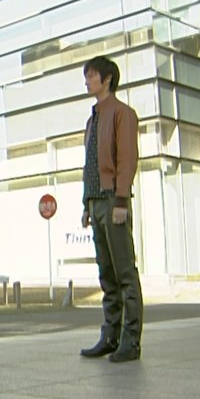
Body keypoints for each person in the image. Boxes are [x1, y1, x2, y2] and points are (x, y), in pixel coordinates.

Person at [79, 56, 143, 363]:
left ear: (107, 79)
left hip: (113, 201)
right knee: (106, 274)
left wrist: (121, 201)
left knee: (125, 272)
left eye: (92, 75)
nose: (87, 81)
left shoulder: (122, 113)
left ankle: (131, 340)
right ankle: (110, 336)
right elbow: (89, 166)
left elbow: (126, 159)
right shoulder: (92, 120)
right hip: (95, 202)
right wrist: (85, 204)